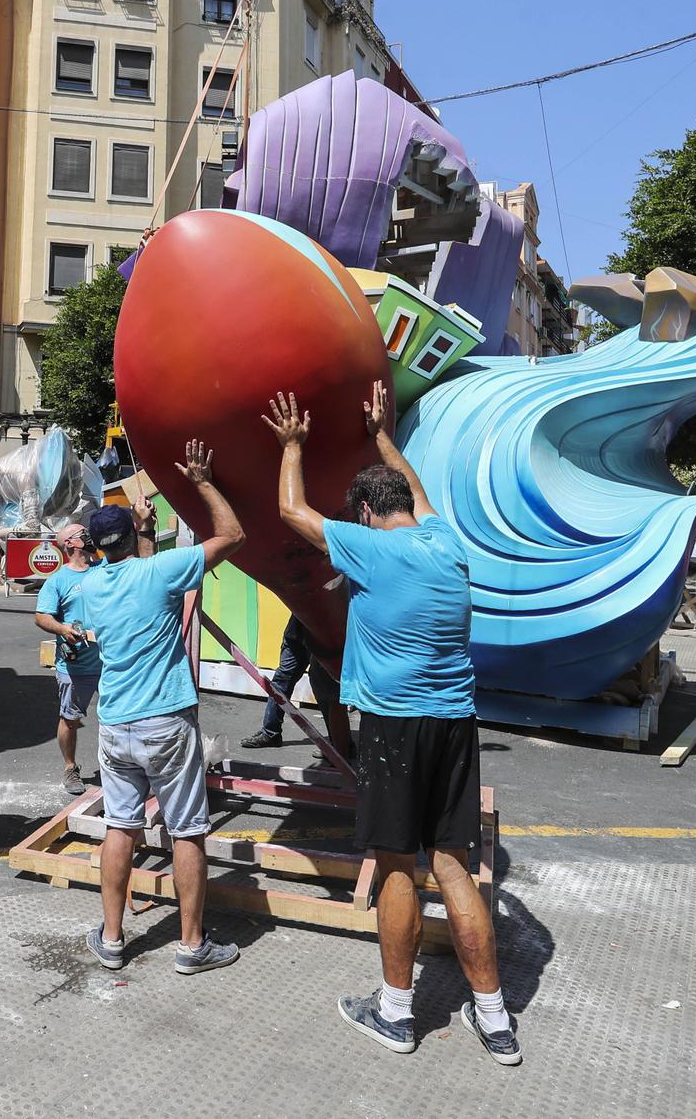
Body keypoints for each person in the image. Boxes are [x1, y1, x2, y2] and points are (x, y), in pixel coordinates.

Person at [264, 384, 520, 1066]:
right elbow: (419, 491)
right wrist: (382, 435)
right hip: (455, 722)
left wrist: (292, 444)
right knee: (455, 866)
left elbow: (291, 510)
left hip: (396, 728)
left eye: (361, 514)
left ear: (368, 513)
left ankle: (397, 1012)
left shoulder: (371, 548)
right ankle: (495, 1019)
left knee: (399, 867)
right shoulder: (446, 542)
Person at [76, 442, 245, 976]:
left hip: (116, 724)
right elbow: (232, 536)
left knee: (120, 828)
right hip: (166, 721)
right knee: (188, 830)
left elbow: (139, 580)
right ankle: (192, 946)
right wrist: (201, 481)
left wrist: (139, 533)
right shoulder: (160, 573)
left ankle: (111, 938)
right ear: (131, 537)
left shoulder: (88, 587)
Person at [33, 520, 102, 796]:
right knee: (70, 718)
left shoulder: (104, 568)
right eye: (82, 533)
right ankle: (70, 767)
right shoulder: (58, 581)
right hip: (76, 665)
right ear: (70, 544)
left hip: (112, 662)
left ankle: (124, 766)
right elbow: (41, 616)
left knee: (121, 717)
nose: (88, 534)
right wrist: (62, 629)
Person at [238, 617, 355, 761]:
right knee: (283, 678)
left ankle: (340, 747)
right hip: (300, 625)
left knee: (325, 688)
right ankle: (270, 733)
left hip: (322, 627)